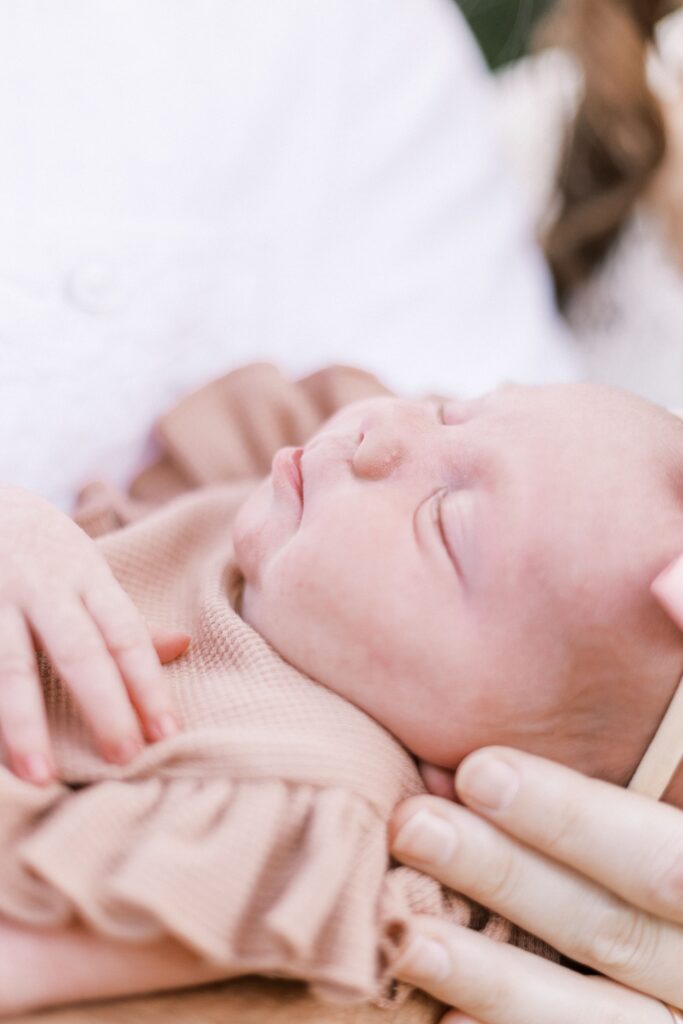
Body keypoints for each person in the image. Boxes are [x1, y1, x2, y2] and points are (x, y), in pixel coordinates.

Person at [4, 374, 683, 1016]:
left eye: (444, 521)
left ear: (485, 787)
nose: (382, 432)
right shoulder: (300, 546)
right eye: (451, 408)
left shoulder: (298, 826)